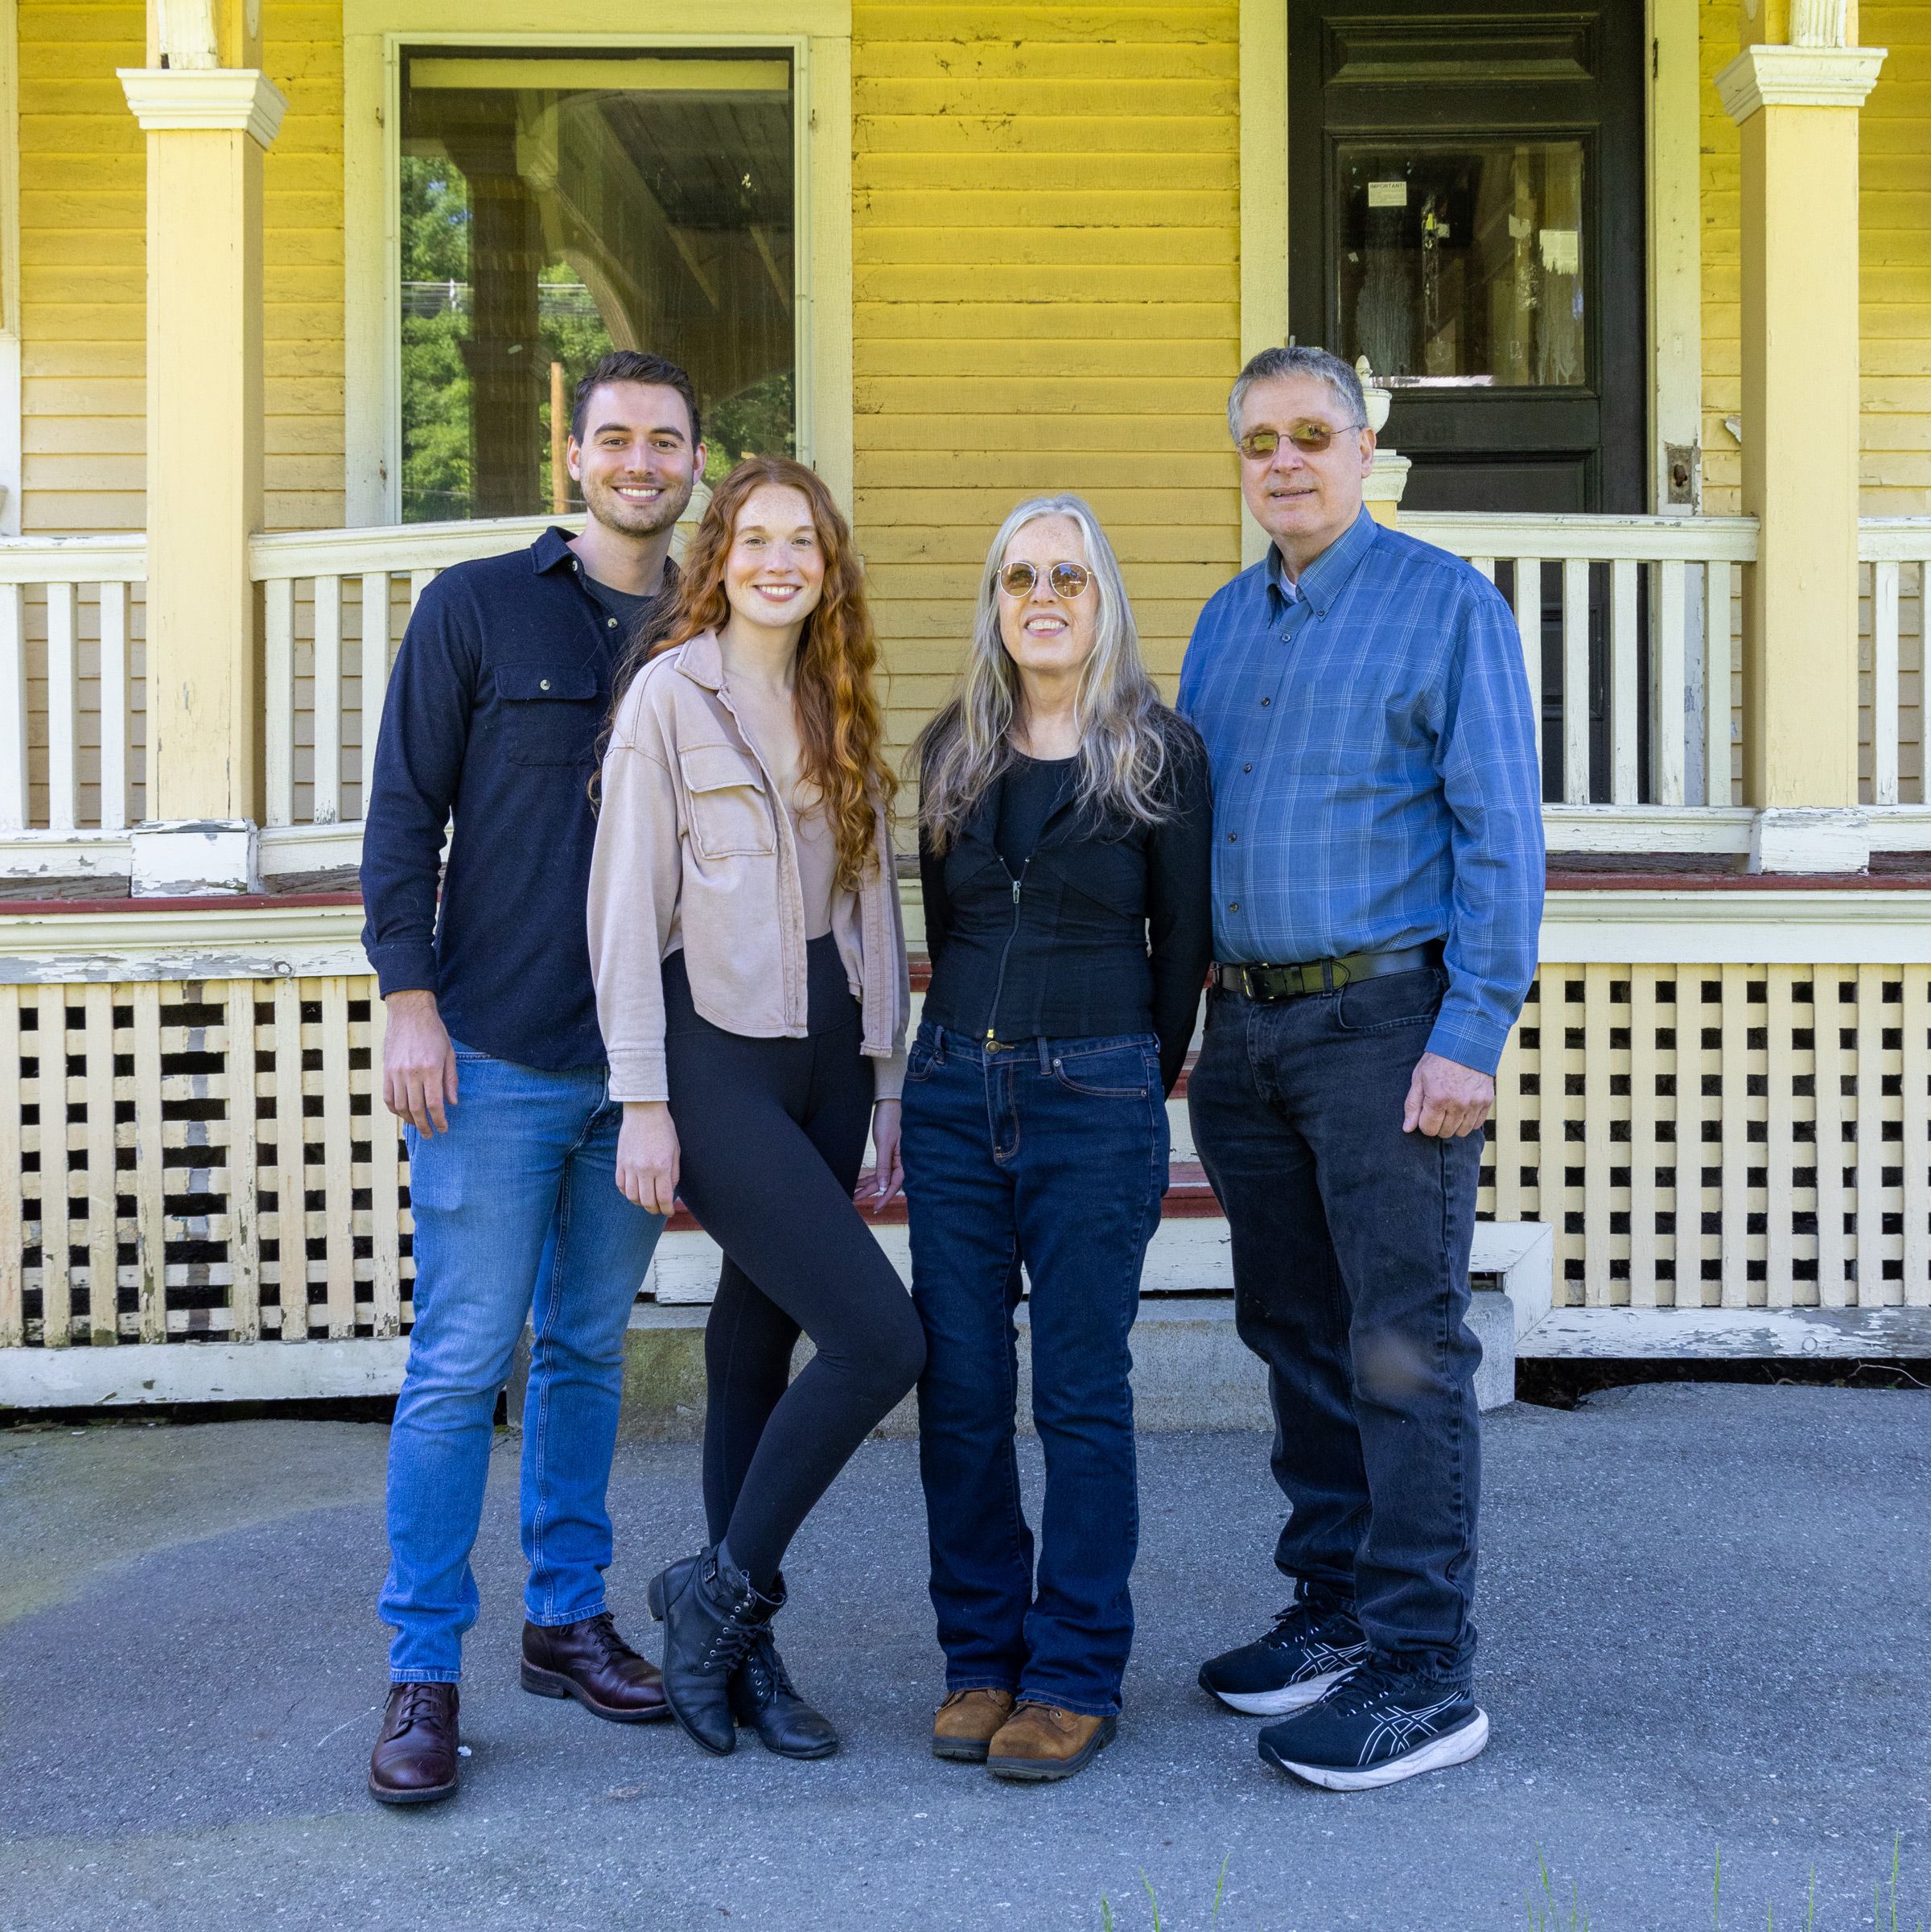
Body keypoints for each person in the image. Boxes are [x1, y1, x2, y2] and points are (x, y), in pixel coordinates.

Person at [1180, 344, 1544, 1792]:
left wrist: (1472, 1032)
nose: (1286, 460)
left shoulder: (1447, 607)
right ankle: (1332, 1608)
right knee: (1296, 1336)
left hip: (1388, 1032)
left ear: (1368, 444)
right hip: (1250, 1033)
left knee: (1401, 1346)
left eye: (1313, 434)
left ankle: (1422, 1669)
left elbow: (1501, 836)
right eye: (1260, 439)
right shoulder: (1223, 622)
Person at [360, 349, 707, 1805]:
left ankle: (565, 1621)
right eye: (615, 438)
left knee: (584, 1347)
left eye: (666, 441)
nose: (640, 462)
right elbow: (403, 812)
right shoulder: (476, 607)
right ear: (575, 457)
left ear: (698, 459)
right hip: (493, 1049)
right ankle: (422, 1668)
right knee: (457, 1365)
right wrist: (408, 1000)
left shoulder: (718, 616)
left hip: (645, 1070)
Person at [589, 455, 925, 1762]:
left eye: (804, 541)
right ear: (718, 557)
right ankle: (714, 1593)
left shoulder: (837, 701)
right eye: (755, 538)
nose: (780, 559)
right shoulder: (669, 701)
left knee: (752, 1342)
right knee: (880, 1339)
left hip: (831, 1061)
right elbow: (622, 910)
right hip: (715, 1057)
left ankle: (739, 1653)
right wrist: (643, 1100)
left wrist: (887, 1077)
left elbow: (872, 904)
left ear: (827, 565)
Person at [903, 495, 1213, 1783]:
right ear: (995, 600)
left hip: (1098, 1095)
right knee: (964, 1388)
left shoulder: (1160, 754)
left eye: (1068, 577)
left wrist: (1130, 1076)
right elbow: (948, 929)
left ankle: (1076, 1670)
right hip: (951, 1097)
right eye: (1021, 575)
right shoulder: (950, 752)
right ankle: (983, 1657)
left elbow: (1181, 951)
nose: (1044, 595)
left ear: (1103, 601)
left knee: (1079, 1390)